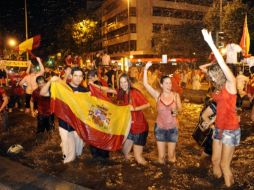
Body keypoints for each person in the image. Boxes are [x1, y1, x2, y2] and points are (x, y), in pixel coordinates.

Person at [201, 29, 240, 188]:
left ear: (220, 74)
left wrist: (210, 43)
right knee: (215, 161)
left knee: (225, 165)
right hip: (218, 127)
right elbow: (203, 68)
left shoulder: (231, 84)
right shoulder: (218, 88)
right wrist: (210, 122)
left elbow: (222, 65)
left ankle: (230, 185)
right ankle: (218, 183)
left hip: (230, 129)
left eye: (213, 76)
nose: (210, 78)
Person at [90, 73, 150, 165]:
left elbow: (147, 104)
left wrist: (134, 108)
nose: (123, 84)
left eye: (125, 82)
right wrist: (93, 85)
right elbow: (109, 89)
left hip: (140, 128)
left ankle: (146, 169)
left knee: (138, 158)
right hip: (129, 127)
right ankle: (130, 171)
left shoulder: (134, 92)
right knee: (125, 152)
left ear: (129, 82)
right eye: (121, 82)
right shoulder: (121, 92)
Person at [40, 67, 88, 163]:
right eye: (75, 76)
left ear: (83, 77)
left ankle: (65, 145)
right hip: (66, 127)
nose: (78, 78)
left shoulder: (85, 91)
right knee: (70, 158)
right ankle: (65, 150)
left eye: (80, 76)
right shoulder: (63, 88)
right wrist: (50, 81)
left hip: (78, 127)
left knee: (78, 153)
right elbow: (42, 93)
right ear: (71, 76)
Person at [143, 62, 182, 164]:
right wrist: (146, 69)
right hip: (160, 128)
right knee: (161, 157)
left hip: (173, 128)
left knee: (171, 156)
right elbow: (146, 84)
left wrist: (176, 112)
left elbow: (180, 109)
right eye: (166, 83)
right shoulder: (157, 96)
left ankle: (173, 175)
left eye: (170, 83)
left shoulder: (176, 95)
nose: (169, 85)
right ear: (161, 84)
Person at [87, 69, 110, 160]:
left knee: (102, 136)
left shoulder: (100, 83)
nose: (90, 80)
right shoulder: (89, 86)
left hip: (102, 112)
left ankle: (102, 155)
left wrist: (94, 85)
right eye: (89, 78)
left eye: (91, 78)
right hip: (94, 113)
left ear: (96, 76)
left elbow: (108, 91)